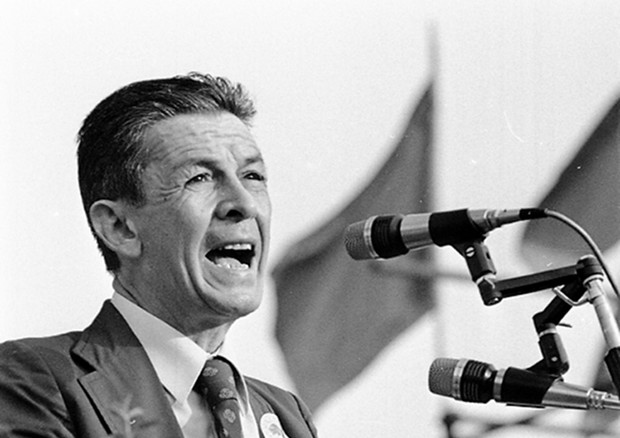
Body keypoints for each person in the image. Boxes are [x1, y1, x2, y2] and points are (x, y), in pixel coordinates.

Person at [0, 73, 318, 438]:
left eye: (252, 176)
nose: (244, 203)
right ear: (119, 227)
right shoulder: (37, 381)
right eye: (199, 178)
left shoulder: (286, 415)